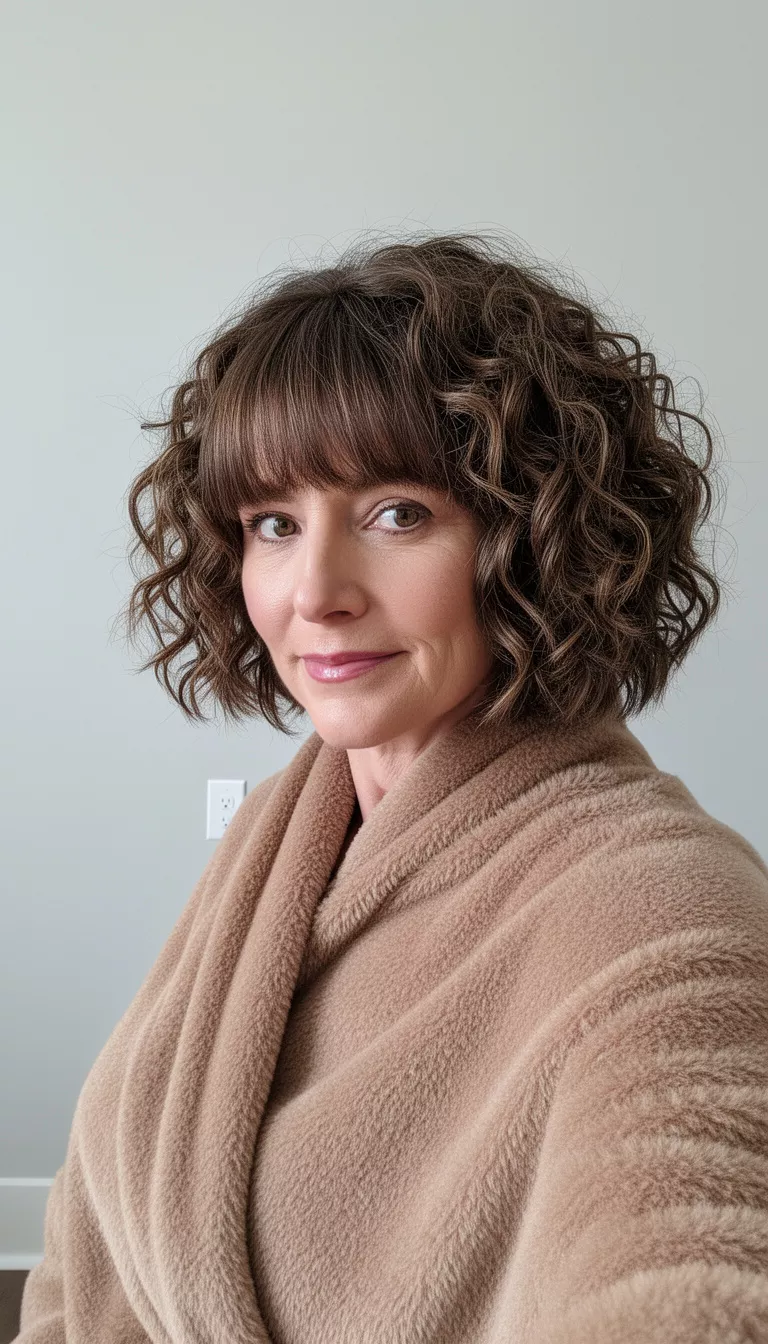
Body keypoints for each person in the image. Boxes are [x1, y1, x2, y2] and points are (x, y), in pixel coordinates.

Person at [17, 232, 768, 1343]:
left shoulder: (668, 913)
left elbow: (691, 1249)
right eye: (274, 523)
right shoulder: (281, 846)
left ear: (531, 536)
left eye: (396, 514)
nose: (314, 592)